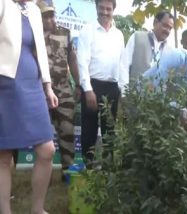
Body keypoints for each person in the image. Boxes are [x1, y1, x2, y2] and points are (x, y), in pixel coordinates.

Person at [0, 0, 59, 213]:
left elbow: (40, 51)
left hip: (32, 82)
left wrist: (48, 87)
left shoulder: (34, 9)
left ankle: (37, 209)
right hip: (4, 84)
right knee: (3, 155)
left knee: (47, 150)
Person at [77, 0, 125, 167]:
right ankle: (88, 165)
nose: (104, 12)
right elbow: (82, 61)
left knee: (109, 128)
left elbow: (121, 64)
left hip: (112, 87)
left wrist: (122, 91)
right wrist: (87, 89)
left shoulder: (118, 35)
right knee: (89, 127)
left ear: (113, 10)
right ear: (96, 8)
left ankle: (107, 166)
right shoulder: (87, 30)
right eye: (101, 8)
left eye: (108, 8)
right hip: (92, 85)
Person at [37, 0, 80, 174]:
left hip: (63, 90)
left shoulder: (65, 32)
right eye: (45, 16)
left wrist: (78, 84)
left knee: (67, 130)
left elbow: (72, 60)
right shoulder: (32, 35)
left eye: (51, 15)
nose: (49, 20)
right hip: (39, 92)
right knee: (41, 134)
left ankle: (68, 170)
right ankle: (41, 172)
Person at [121, 11, 174, 82]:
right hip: (134, 92)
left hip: (158, 92)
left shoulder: (169, 51)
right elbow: (124, 66)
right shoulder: (137, 37)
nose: (167, 30)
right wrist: (124, 92)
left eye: (170, 28)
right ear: (155, 22)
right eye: (165, 25)